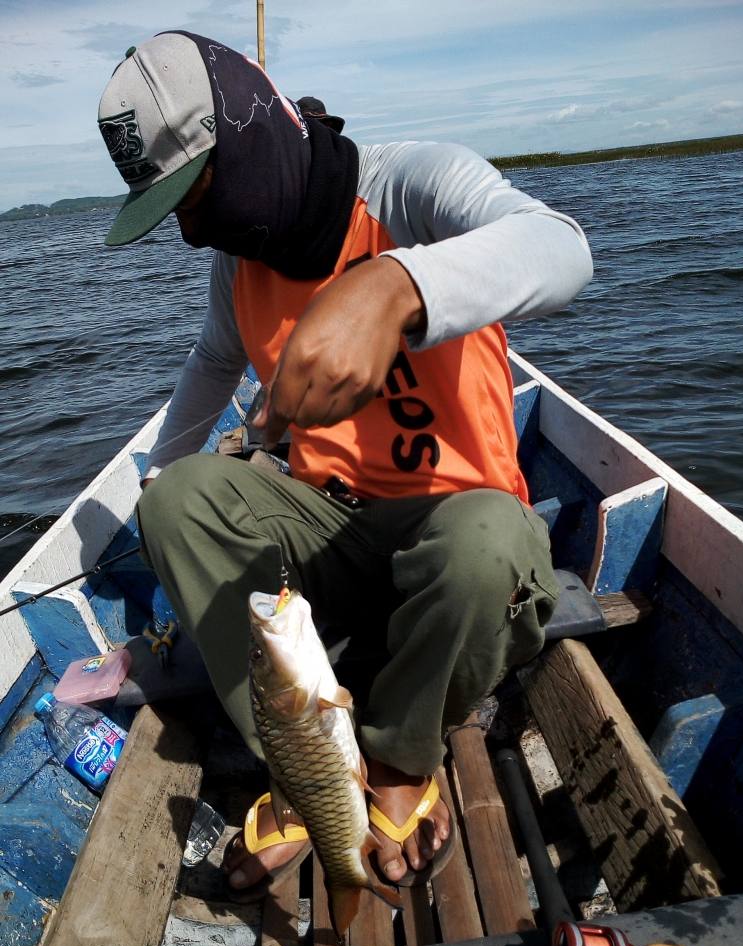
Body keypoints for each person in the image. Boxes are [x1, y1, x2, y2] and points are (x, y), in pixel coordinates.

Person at [97, 31, 593, 897]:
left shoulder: (413, 185)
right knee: (176, 503)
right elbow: (213, 365)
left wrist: (395, 286)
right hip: (328, 529)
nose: (186, 229)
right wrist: (158, 489)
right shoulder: (236, 266)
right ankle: (305, 772)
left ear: (246, 142)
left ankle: (403, 760)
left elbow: (560, 249)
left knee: (487, 546)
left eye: (192, 194)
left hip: (454, 538)